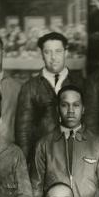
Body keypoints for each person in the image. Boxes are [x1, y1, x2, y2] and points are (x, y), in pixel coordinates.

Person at [31, 85, 99, 197]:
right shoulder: (44, 144)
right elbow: (35, 190)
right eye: (65, 105)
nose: (70, 111)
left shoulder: (98, 144)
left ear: (83, 109)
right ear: (57, 109)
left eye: (76, 105)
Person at [15, 32, 83, 162]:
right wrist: (25, 163)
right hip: (42, 157)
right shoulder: (30, 87)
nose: (53, 57)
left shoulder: (80, 83)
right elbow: (23, 131)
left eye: (58, 51)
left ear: (66, 52)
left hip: (75, 155)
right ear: (41, 54)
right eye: (48, 52)